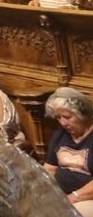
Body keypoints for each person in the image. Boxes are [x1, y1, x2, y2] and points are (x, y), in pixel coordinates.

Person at [43, 87, 93, 215]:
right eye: (58, 118)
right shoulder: (60, 133)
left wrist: (73, 197)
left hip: (86, 198)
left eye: (67, 117)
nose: (63, 123)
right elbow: (50, 168)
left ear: (82, 113)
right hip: (61, 194)